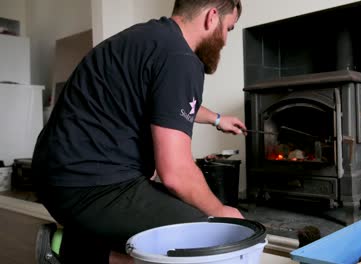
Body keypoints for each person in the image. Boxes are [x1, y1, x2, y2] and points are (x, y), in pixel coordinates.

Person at [32, 1, 245, 263]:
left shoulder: (147, 38)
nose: (224, 39)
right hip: (89, 185)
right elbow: (176, 173)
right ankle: (75, 249)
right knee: (206, 235)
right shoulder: (181, 57)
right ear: (212, 17)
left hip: (55, 176)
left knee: (178, 213)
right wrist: (220, 212)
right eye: (228, 29)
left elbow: (168, 101)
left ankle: (68, 248)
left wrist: (217, 119)